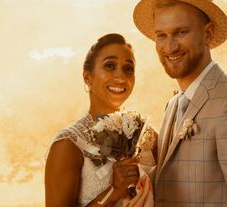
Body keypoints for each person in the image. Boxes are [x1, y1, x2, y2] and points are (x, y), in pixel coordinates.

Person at [133, 0, 227, 207]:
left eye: (180, 32)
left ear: (207, 34)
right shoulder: (173, 104)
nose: (169, 47)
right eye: (161, 35)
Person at [45, 33, 154, 207]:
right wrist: (114, 191)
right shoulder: (68, 144)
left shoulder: (147, 136)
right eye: (110, 66)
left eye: (128, 68)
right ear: (88, 77)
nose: (120, 76)